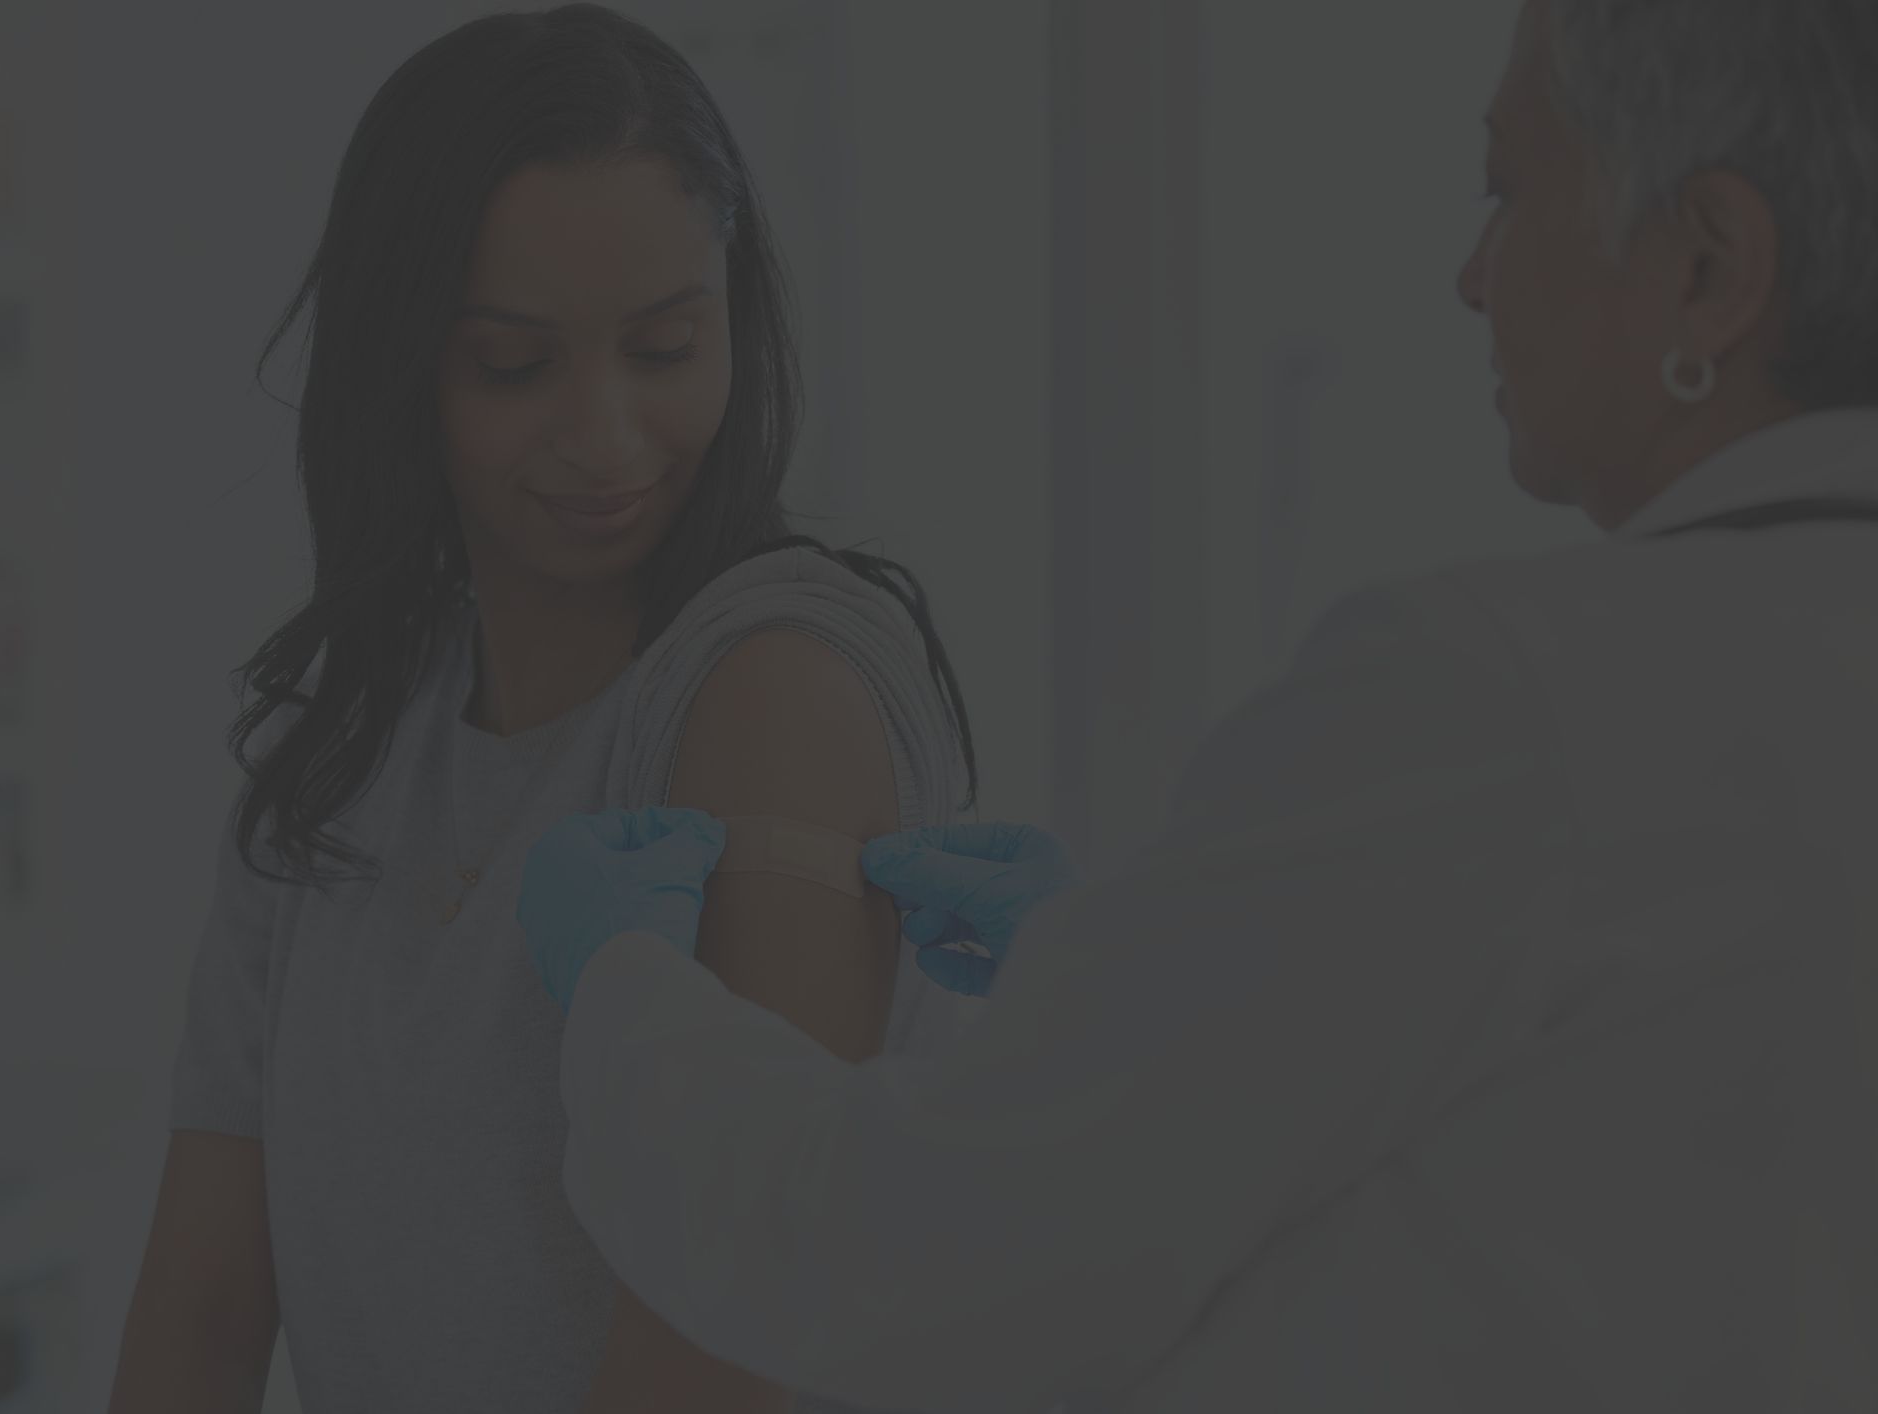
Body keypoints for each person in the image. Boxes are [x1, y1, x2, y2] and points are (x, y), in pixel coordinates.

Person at [516, 2, 1878, 1410]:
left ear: (1710, 268)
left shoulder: (1502, 696)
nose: (1472, 276)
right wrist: (1130, 978)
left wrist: (627, 1002)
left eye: (1509, 190)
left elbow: (903, 1263)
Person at [105, 8, 981, 1412]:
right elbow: (203, 1309)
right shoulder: (330, 759)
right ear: (404, 363)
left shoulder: (772, 687)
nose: (608, 438)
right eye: (515, 364)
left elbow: (724, 1337)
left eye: (663, 347)